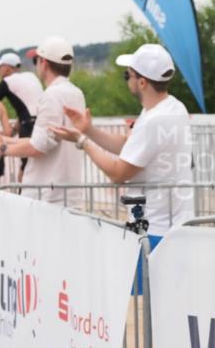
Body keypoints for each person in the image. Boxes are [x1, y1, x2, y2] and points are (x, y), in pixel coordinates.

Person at [48, 44, 194, 242]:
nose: (126, 80)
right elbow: (129, 146)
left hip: (155, 229)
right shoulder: (174, 108)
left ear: (142, 82)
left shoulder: (153, 121)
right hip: (171, 226)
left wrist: (82, 141)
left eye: (128, 75)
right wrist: (88, 129)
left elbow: (118, 173)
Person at [0, 36, 85, 205]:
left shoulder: (52, 95)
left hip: (47, 196)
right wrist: (5, 139)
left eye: (35, 61)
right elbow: (44, 140)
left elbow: (38, 147)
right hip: (67, 192)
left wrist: (1, 148)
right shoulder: (76, 93)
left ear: (44, 63)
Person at [0, 51, 43, 171]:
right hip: (42, 122)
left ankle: (23, 184)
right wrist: (14, 130)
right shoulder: (31, 76)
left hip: (28, 125)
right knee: (38, 164)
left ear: (7, 68)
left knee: (26, 166)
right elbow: (27, 108)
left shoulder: (6, 82)